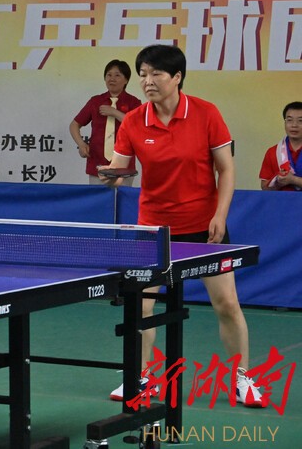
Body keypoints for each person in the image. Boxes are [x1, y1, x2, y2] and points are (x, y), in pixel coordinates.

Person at [100, 44, 265, 407]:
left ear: (177, 77)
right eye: (143, 74)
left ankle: (242, 378)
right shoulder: (134, 121)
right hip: (153, 231)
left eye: (156, 74)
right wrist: (110, 176)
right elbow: (121, 171)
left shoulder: (206, 113)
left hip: (204, 227)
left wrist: (220, 214)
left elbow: (226, 169)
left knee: (226, 304)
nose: (148, 81)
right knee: (141, 307)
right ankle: (141, 377)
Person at [69, 59, 141, 185]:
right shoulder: (95, 101)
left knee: (121, 197)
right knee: (97, 197)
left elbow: (138, 127)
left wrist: (115, 113)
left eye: (117, 75)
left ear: (126, 80)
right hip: (97, 163)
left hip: (124, 166)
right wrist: (81, 144)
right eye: (109, 75)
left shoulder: (134, 102)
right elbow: (74, 125)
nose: (112, 79)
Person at [259, 101, 302, 191]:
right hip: (282, 200)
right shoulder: (273, 152)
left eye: (300, 121)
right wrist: (278, 182)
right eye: (289, 120)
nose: (294, 125)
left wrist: (293, 180)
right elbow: (264, 187)